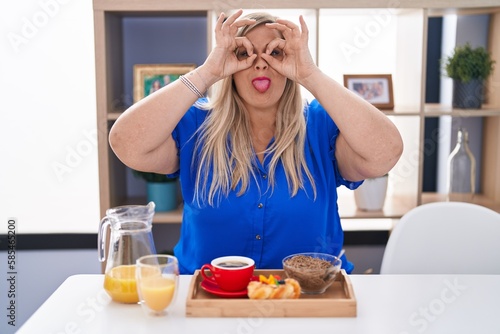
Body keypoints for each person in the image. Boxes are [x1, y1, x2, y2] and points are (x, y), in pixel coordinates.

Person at [109, 10, 403, 274]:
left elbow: (385, 154)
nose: (261, 65)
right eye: (244, 55)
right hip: (208, 299)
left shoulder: (319, 124)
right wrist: (208, 72)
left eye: (275, 54)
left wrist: (309, 74)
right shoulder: (196, 125)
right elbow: (126, 143)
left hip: (310, 298)